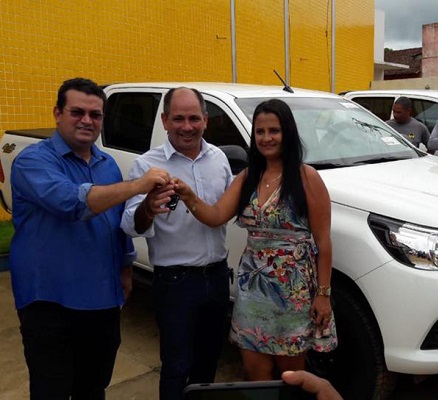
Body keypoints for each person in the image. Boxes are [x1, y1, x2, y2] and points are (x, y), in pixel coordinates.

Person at [9, 77, 169, 399]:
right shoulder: (32, 161)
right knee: (51, 390)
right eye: (77, 112)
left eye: (95, 114)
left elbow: (116, 223)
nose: (87, 120)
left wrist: (126, 268)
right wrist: (138, 185)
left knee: (93, 388)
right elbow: (71, 202)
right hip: (49, 301)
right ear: (58, 113)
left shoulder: (107, 165)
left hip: (101, 299)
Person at [172, 98, 337, 380]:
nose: (266, 138)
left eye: (274, 131)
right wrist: (188, 196)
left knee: (291, 374)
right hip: (253, 289)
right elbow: (216, 215)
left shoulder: (306, 177)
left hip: (293, 291)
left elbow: (323, 242)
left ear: (287, 132)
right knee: (254, 370)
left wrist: (323, 295)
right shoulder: (248, 177)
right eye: (260, 132)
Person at [120, 87, 233, 399]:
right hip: (175, 283)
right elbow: (130, 225)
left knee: (208, 361)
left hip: (217, 277)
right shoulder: (147, 165)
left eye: (194, 118)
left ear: (205, 120)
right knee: (176, 365)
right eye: (179, 118)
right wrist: (148, 207)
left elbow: (226, 210)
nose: (187, 126)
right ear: (165, 121)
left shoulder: (219, 159)